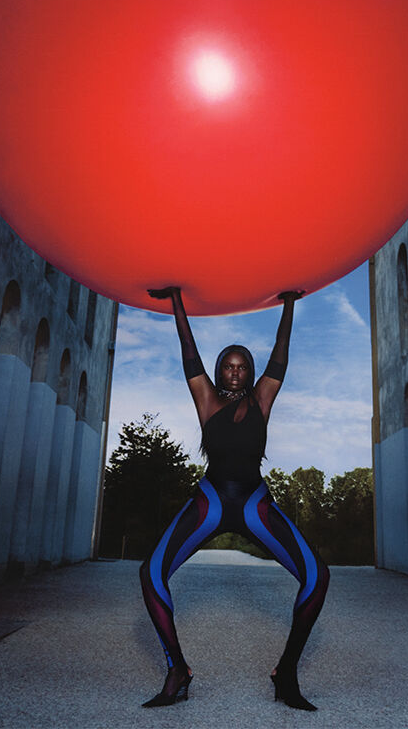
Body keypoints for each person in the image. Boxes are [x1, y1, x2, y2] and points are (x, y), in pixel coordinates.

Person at [139, 286, 330, 710]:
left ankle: (287, 673)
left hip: (254, 502)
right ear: (218, 370)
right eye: (228, 365)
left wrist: (290, 304)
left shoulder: (263, 399)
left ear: (251, 372)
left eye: (243, 366)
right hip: (210, 499)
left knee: (317, 577)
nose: (235, 372)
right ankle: (177, 671)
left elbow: (282, 353)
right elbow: (187, 349)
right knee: (150, 574)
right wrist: (177, 301)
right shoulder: (206, 401)